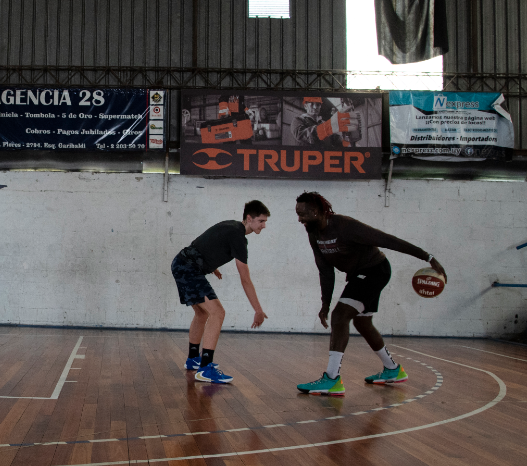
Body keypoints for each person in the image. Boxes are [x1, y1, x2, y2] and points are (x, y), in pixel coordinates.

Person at [294, 192, 446, 396]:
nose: (299, 219)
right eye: (298, 214)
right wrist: (325, 305)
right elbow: (325, 271)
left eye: (303, 214)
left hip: (375, 271)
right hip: (359, 275)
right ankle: (393, 369)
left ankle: (331, 379)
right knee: (362, 322)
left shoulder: (345, 226)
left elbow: (387, 240)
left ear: (316, 211)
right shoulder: (313, 233)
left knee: (341, 317)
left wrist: (428, 257)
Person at [171, 201, 270, 384]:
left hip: (183, 263)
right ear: (249, 218)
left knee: (202, 313)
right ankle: (206, 369)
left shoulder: (230, 226)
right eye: (261, 221)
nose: (264, 225)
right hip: (188, 268)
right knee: (218, 313)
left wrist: (210, 265)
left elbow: (204, 242)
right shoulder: (239, 236)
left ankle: (193, 359)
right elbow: (245, 278)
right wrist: (257, 309)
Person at [291, 97, 361, 147]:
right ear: (305, 106)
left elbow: (334, 138)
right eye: (311, 104)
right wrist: (328, 127)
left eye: (318, 104)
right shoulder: (298, 120)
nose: (315, 107)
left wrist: (347, 143)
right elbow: (302, 136)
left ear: (320, 106)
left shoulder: (322, 122)